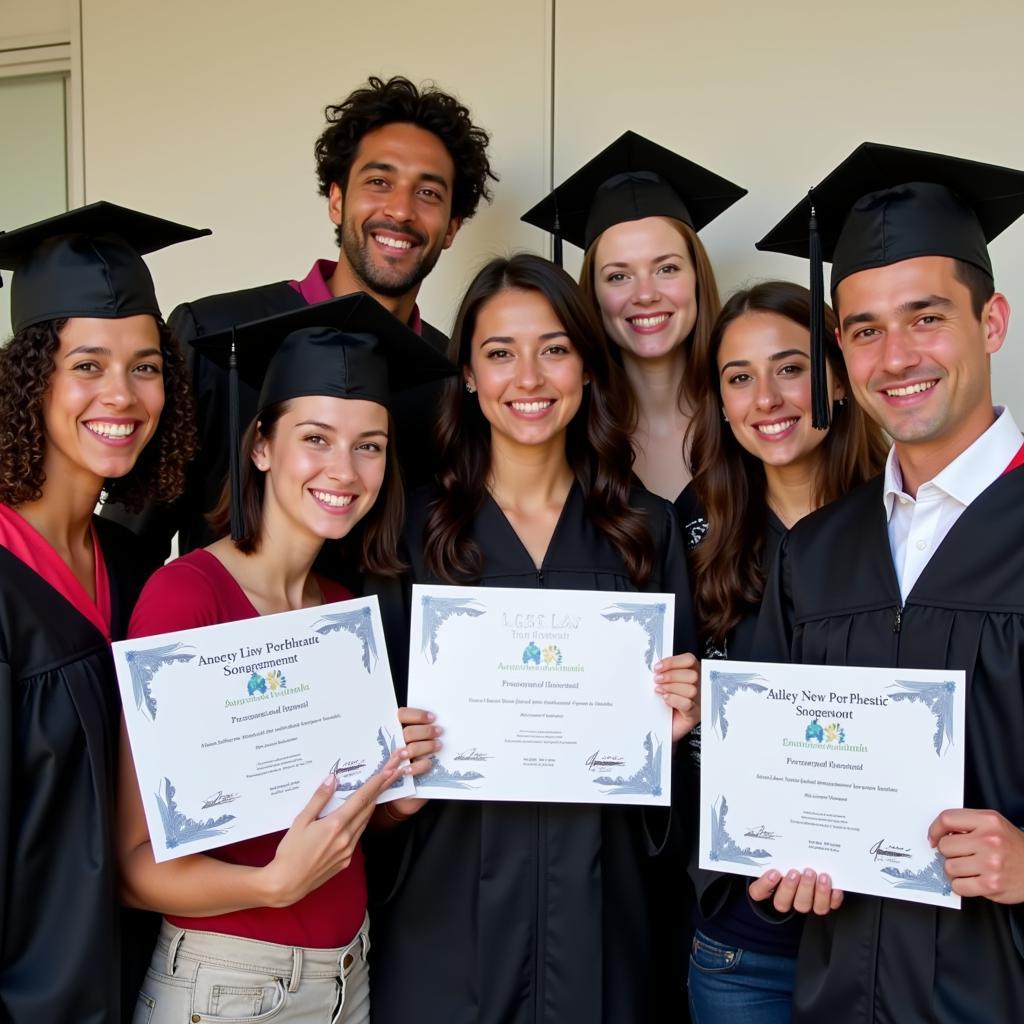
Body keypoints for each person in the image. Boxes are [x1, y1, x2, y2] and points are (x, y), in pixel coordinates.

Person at [368, 253, 701, 1023]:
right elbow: (370, 762)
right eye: (499, 353)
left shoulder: (644, 532)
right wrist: (395, 778)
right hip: (443, 911)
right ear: (469, 378)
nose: (529, 377)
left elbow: (671, 783)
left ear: (586, 367)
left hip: (602, 910)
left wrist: (670, 731)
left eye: (553, 348)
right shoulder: (411, 533)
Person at [117, 293, 455, 1024]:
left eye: (370, 444)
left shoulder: (340, 612)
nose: (346, 468)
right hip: (228, 987)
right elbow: (135, 866)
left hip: (349, 978)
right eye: (317, 438)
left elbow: (326, 826)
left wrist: (394, 801)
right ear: (262, 446)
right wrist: (272, 886)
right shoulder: (185, 598)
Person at [749, 143, 1024, 1022]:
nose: (896, 355)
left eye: (927, 317)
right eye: (865, 329)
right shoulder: (819, 551)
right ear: (840, 348)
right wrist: (782, 852)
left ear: (992, 322)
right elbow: (775, 778)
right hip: (839, 995)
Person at [106, 74, 497, 564]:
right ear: (337, 200)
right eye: (379, 182)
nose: (400, 210)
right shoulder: (214, 335)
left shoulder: (450, 377)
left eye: (429, 194)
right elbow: (130, 541)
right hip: (229, 636)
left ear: (452, 229)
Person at [0, 202, 205, 1023]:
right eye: (88, 364)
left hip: (136, 985)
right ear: (31, 377)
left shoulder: (129, 565)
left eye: (146, 366)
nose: (121, 395)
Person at [676, 281, 887, 1023]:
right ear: (721, 402)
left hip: (889, 941)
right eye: (739, 378)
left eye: (789, 367)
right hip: (742, 948)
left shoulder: (908, 521)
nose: (766, 397)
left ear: (836, 375)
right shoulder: (693, 531)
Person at [522, 131, 746, 499]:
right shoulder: (564, 434)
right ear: (590, 294)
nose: (645, 295)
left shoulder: (754, 418)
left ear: (697, 278)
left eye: (667, 269)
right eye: (618, 276)